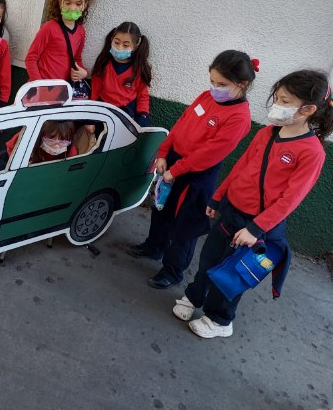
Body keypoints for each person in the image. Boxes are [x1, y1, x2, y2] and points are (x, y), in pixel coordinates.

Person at [173, 70, 332, 338]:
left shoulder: (312, 152)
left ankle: (220, 320)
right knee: (210, 258)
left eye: (285, 101)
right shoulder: (267, 133)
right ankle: (194, 296)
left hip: (255, 225)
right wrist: (218, 196)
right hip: (230, 211)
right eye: (277, 98)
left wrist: (255, 229)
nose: (277, 105)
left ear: (308, 110)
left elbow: (290, 199)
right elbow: (241, 166)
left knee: (233, 273)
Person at [129, 51, 259, 290]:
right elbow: (181, 124)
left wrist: (175, 171)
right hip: (173, 162)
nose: (214, 88)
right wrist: (163, 152)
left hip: (197, 175)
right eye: (212, 81)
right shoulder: (206, 97)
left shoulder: (240, 117)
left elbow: (209, 153)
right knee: (161, 210)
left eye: (222, 84)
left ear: (242, 84)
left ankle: (173, 271)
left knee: (185, 227)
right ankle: (153, 247)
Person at [24, 0, 97, 100]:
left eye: (78, 4)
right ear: (60, 2)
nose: (72, 8)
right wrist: (39, 85)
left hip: (62, 92)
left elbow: (77, 59)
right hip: (40, 90)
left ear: (84, 5)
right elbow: (31, 59)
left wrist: (83, 72)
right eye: (68, 3)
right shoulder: (49, 28)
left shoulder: (80, 31)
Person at [91, 22, 152, 126]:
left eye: (126, 45)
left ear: (135, 46)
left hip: (126, 114)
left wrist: (143, 115)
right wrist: (91, 118)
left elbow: (143, 94)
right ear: (112, 40)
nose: (119, 47)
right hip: (103, 111)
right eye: (116, 42)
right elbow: (95, 92)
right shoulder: (103, 64)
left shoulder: (138, 69)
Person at [6, 121, 77, 164]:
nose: (56, 146)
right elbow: (11, 148)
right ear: (40, 135)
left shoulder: (71, 151)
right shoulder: (26, 138)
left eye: (63, 141)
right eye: (50, 140)